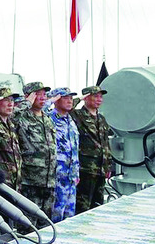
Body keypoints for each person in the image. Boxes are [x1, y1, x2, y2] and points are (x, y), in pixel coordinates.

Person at [12, 82, 57, 227]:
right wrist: (26, 103)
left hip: (49, 180)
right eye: (38, 94)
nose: (43, 98)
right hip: (30, 180)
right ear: (28, 97)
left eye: (44, 94)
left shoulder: (47, 118)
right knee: (28, 225)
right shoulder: (21, 117)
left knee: (45, 223)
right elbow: (11, 118)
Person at [71, 85, 112, 213]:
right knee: (83, 205)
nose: (99, 99)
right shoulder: (78, 115)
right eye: (95, 96)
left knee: (98, 205)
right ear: (86, 98)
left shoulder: (102, 119)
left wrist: (108, 165)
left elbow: (105, 144)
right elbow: (67, 108)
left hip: (101, 168)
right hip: (86, 168)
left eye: (101, 97)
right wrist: (79, 98)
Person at [44, 87, 80, 222]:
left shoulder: (71, 120)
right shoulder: (49, 118)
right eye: (65, 98)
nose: (69, 101)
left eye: (71, 98)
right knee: (56, 213)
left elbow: (74, 147)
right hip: (57, 174)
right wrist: (51, 100)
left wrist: (76, 172)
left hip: (71, 175)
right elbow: (36, 111)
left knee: (70, 214)